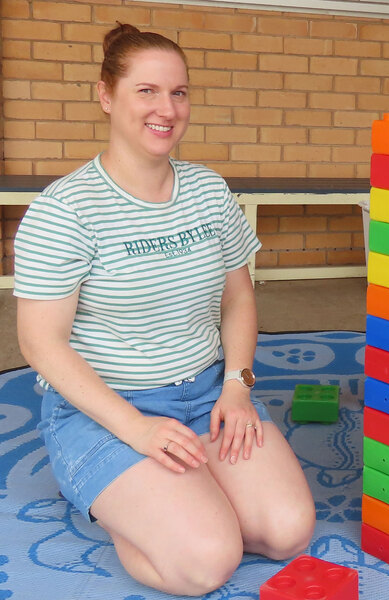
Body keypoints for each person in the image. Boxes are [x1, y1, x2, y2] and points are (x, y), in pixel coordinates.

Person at [14, 23, 315, 596]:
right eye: (146, 91)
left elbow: (239, 296)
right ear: (106, 96)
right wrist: (135, 428)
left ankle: (176, 497)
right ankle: (109, 501)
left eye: (178, 92)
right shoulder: (64, 211)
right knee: (206, 562)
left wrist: (237, 386)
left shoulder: (208, 191)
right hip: (108, 409)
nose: (166, 108)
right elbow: (40, 344)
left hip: (207, 392)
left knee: (286, 532)